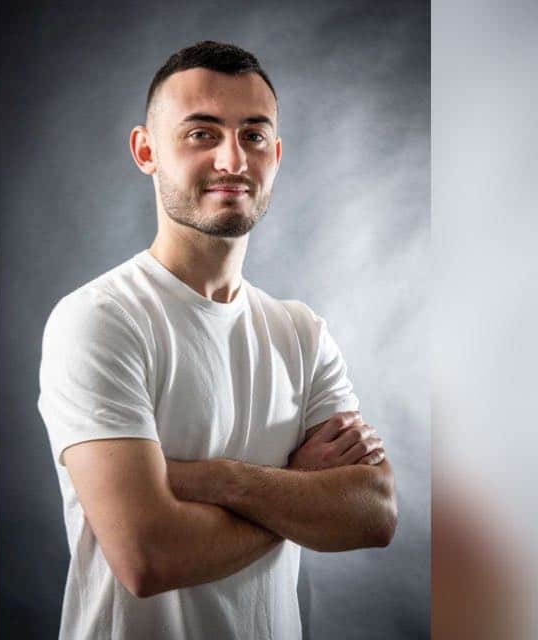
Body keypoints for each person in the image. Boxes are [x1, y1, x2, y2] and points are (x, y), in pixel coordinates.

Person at [38, 40, 397, 640]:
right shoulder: (101, 319)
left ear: (275, 155)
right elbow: (149, 557)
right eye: (201, 133)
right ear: (146, 151)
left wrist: (217, 479)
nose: (233, 159)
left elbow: (375, 514)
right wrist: (298, 487)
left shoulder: (301, 332)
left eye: (253, 135)